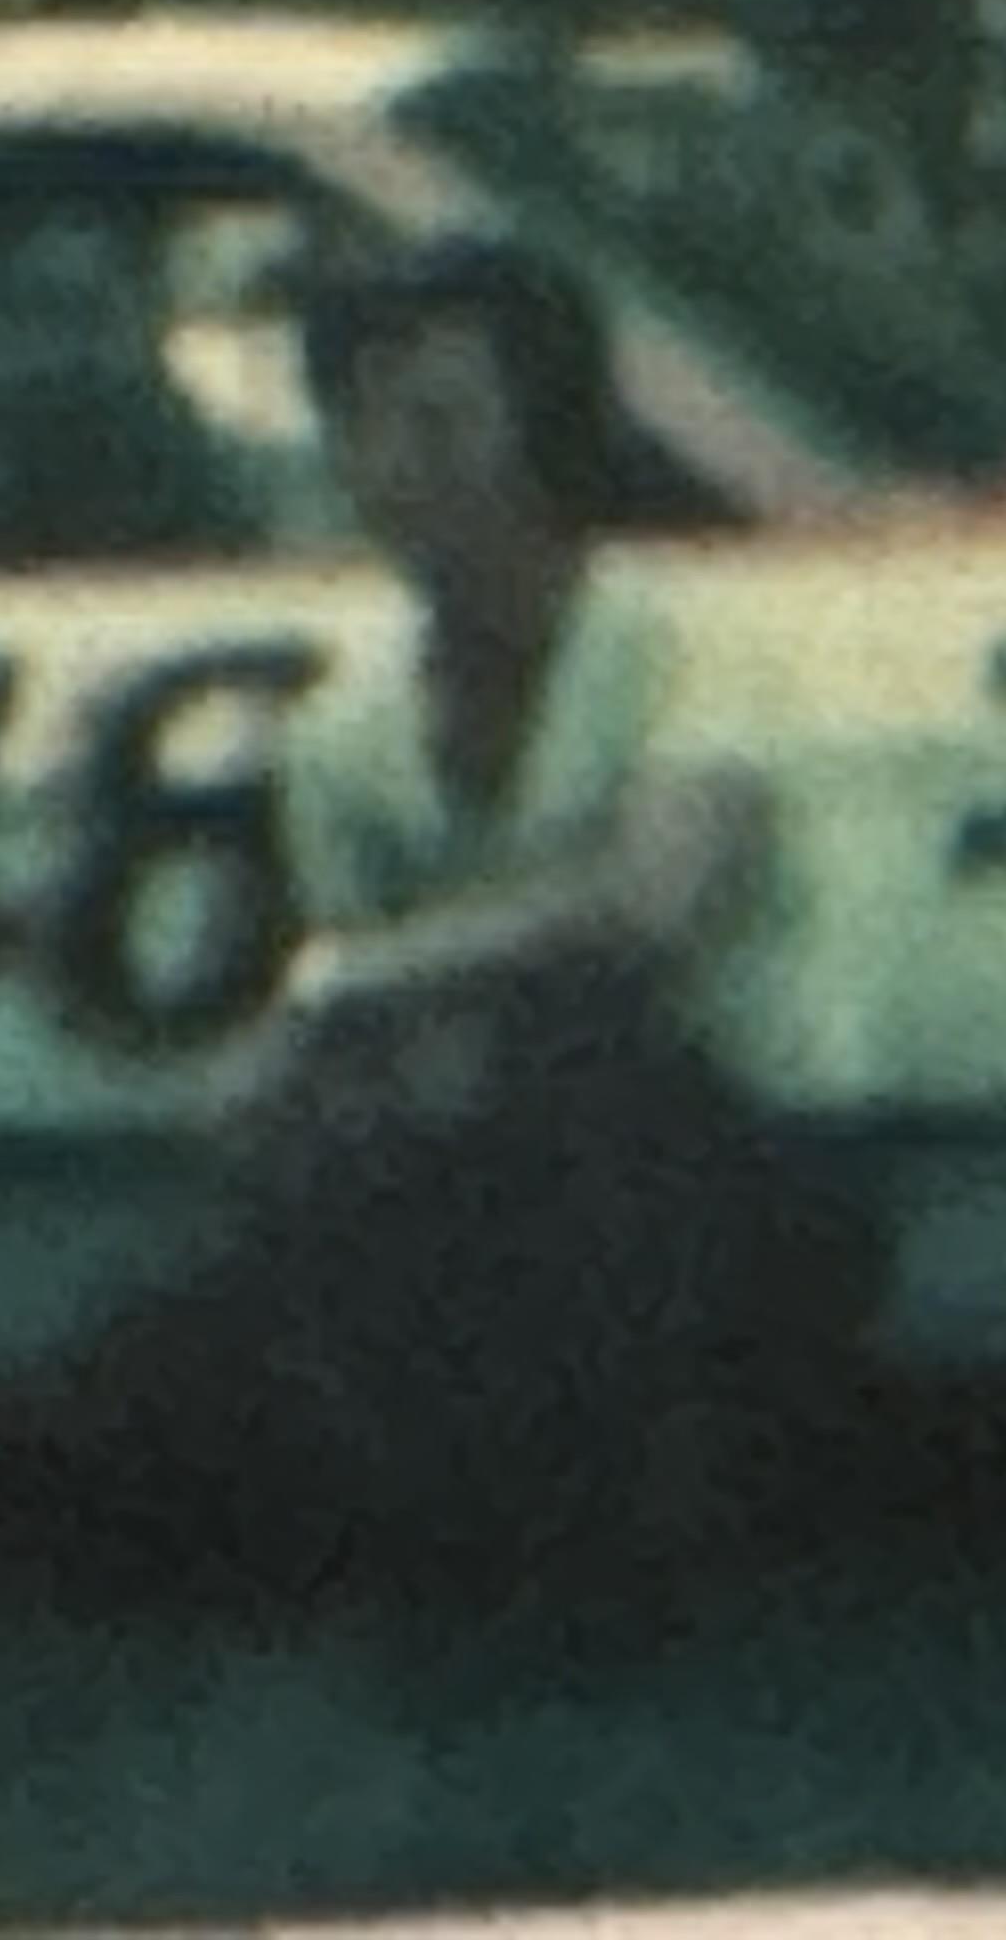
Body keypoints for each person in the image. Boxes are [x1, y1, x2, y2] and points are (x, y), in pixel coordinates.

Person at [167, 234, 865, 1578]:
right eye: (362, 425)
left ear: (544, 438)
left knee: (588, 1105)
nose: (396, 466)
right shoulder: (343, 736)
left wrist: (353, 983)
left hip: (724, 1159)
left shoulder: (679, 643)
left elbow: (650, 914)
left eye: (441, 422)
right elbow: (355, 1029)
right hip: (473, 1175)